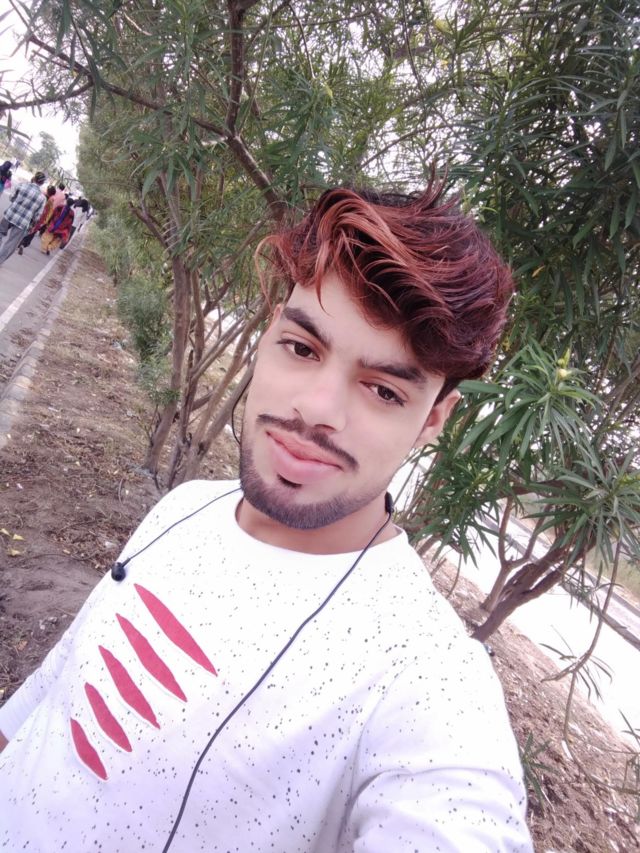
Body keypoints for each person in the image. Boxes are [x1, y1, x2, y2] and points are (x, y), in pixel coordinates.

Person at [0, 180, 534, 852]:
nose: (316, 408)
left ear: (434, 419)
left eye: (382, 389)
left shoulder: (424, 679)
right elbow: (51, 693)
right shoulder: (187, 506)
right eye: (302, 348)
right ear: (269, 335)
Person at [0, 171, 46, 266]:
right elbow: (37, 216)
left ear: (34, 178)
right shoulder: (42, 198)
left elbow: (12, 198)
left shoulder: (22, 185)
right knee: (11, 244)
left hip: (10, 215)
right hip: (23, 223)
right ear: (42, 183)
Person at [17, 185, 57, 254]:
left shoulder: (42, 196)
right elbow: (50, 213)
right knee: (32, 232)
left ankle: (19, 242)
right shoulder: (51, 201)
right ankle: (23, 244)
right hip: (41, 219)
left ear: (47, 191)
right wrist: (45, 221)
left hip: (33, 215)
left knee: (26, 228)